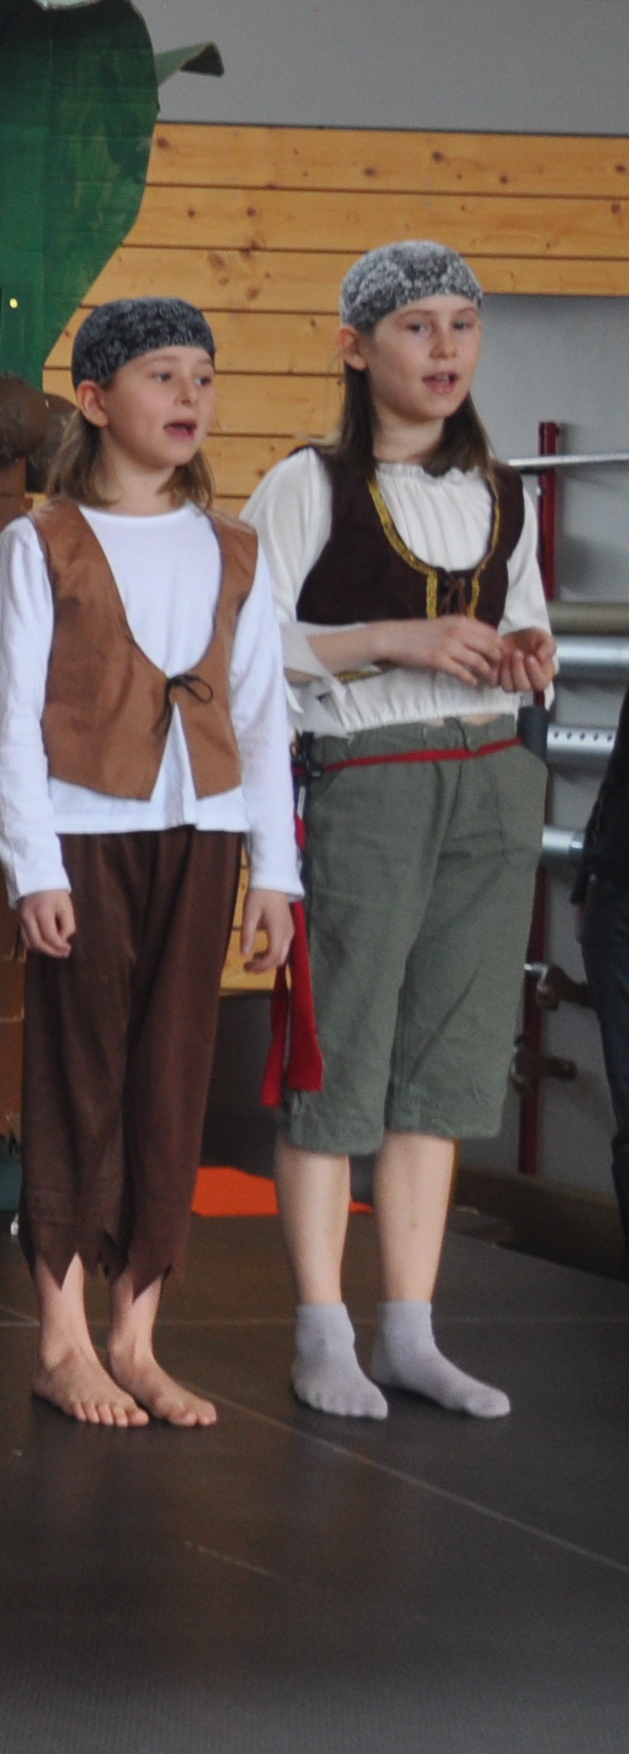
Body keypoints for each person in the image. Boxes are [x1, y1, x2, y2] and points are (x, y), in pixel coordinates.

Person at [246, 241, 554, 1420]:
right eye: (416, 326)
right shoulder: (309, 484)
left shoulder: (504, 489)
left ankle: (410, 1330)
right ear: (353, 345)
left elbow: (523, 623)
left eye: (461, 325)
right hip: (366, 779)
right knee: (338, 1060)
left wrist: (524, 655)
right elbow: (242, 644)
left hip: (491, 779)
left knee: (447, 1064)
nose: (444, 348)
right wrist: (392, 638)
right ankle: (321, 1331)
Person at [0, 299, 296, 1431]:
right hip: (83, 835)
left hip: (202, 834)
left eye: (202, 377)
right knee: (79, 1076)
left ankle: (136, 1336)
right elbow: (10, 719)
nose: (187, 397)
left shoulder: (234, 549)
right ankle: (61, 1338)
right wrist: (34, 866)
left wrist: (275, 871)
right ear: (95, 397)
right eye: (161, 375)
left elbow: (262, 719)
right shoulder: (42, 543)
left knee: (172, 1078)